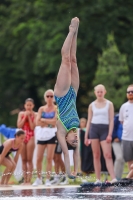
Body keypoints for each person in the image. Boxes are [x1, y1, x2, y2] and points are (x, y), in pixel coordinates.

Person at [54, 17, 80, 179]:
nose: (76, 138)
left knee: (65, 61)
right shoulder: (75, 129)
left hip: (63, 95)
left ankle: (71, 30)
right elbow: (76, 154)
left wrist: (70, 174)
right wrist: (77, 172)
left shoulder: (61, 130)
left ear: (67, 139)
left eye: (74, 140)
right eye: (76, 139)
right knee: (74, 61)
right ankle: (76, 32)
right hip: (74, 94)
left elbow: (66, 153)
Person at [84, 84, 117, 184]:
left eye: (101, 91)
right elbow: (89, 120)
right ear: (95, 93)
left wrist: (110, 134)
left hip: (105, 129)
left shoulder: (109, 104)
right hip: (94, 129)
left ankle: (113, 178)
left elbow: (111, 120)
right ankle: (98, 179)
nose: (99, 93)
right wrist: (86, 136)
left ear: (104, 92)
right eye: (98, 92)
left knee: (108, 154)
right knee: (96, 154)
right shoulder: (92, 105)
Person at [33, 89, 57, 186]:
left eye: (51, 96)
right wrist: (48, 121)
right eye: (48, 96)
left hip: (51, 134)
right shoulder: (41, 109)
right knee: (39, 158)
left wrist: (44, 120)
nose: (49, 98)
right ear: (45, 97)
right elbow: (37, 122)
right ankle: (38, 178)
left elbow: (55, 122)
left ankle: (47, 179)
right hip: (42, 135)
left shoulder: (56, 108)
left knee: (49, 158)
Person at [17, 98, 36, 185]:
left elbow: (32, 127)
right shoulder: (21, 114)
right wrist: (25, 116)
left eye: (30, 105)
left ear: (33, 106)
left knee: (29, 159)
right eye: (27, 105)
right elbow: (19, 125)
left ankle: (29, 180)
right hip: (22, 137)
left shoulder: (35, 114)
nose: (28, 107)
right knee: (23, 159)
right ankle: (25, 180)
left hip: (30, 136)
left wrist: (29, 116)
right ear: (25, 106)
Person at [119, 84, 133, 173]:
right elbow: (122, 121)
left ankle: (128, 178)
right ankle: (131, 182)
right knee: (129, 161)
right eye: (128, 92)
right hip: (126, 137)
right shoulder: (124, 106)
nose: (130, 93)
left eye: (132, 91)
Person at [112, 114, 124, 180]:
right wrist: (115, 137)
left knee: (122, 160)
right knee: (119, 157)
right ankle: (115, 177)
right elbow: (113, 127)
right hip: (116, 141)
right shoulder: (117, 117)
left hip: (125, 140)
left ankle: (119, 177)